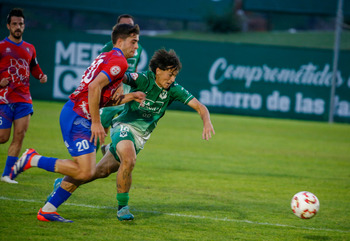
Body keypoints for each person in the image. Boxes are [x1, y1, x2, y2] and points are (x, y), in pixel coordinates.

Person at [38, 49, 215, 222]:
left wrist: (206, 121)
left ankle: (64, 182)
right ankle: (123, 208)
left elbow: (201, 107)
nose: (172, 79)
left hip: (140, 137)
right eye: (170, 74)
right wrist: (117, 86)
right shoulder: (144, 78)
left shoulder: (174, 89)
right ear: (158, 71)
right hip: (124, 126)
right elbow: (122, 75)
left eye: (175, 75)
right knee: (129, 160)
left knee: (99, 171)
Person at [9, 23, 146, 222]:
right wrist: (97, 123)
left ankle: (47, 210)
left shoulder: (107, 56)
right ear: (120, 41)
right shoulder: (119, 61)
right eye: (133, 42)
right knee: (86, 170)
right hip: (78, 116)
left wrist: (130, 96)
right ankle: (33, 159)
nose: (136, 47)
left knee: (85, 171)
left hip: (77, 114)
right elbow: (93, 88)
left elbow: (104, 97)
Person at [0, 8, 47, 184]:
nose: (18, 27)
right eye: (14, 24)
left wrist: (41, 76)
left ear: (24, 26)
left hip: (24, 99)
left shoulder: (30, 48)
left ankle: (6, 175)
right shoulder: (2, 47)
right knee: (3, 138)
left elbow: (34, 67)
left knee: (19, 136)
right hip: (4, 99)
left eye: (20, 24)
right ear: (8, 26)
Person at [99, 14, 143, 153]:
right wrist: (116, 86)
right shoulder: (108, 47)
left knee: (127, 127)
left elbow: (134, 68)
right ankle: (90, 159)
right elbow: (102, 70)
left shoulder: (137, 48)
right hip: (112, 93)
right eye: (125, 25)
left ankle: (111, 150)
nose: (129, 28)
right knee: (101, 127)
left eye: (131, 25)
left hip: (128, 93)